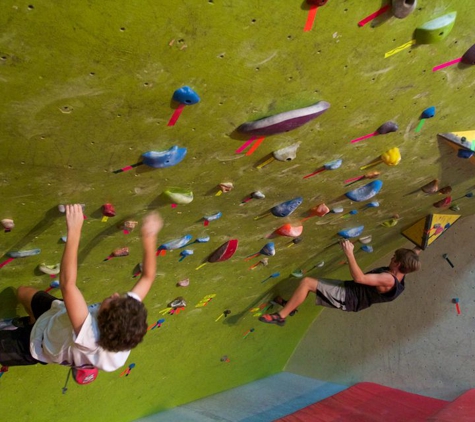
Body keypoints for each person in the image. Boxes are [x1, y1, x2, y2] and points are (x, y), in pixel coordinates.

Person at [0, 204, 163, 372]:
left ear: (101, 321)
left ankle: (22, 329)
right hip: (56, 317)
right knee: (23, 292)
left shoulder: (90, 337)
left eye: (113, 301)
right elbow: (147, 277)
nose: (114, 295)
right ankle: (26, 322)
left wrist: (74, 229)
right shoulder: (125, 321)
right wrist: (149, 238)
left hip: (35, 345)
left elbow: (67, 284)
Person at [259, 239, 421, 326]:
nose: (391, 258)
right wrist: (420, 245)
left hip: (348, 296)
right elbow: (414, 255)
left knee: (307, 283)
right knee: (311, 285)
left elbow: (360, 278)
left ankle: (281, 317)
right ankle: (290, 307)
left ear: (398, 264)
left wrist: (349, 253)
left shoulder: (388, 279)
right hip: (351, 293)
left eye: (394, 257)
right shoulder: (402, 274)